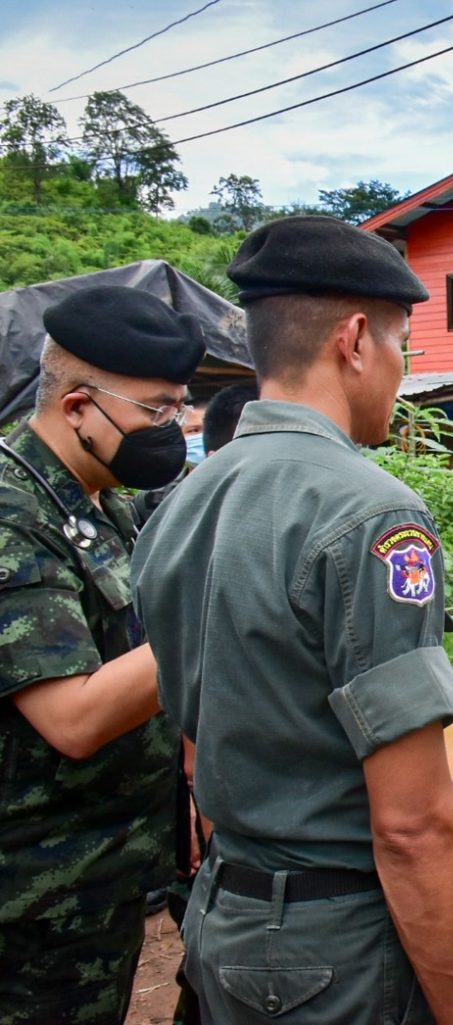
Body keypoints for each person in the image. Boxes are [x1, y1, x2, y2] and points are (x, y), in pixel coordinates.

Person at [132, 216, 453, 1025]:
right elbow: (414, 825)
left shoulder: (180, 505)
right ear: (356, 340)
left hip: (227, 918)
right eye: (404, 345)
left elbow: (198, 733)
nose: (402, 372)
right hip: (335, 948)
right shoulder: (367, 511)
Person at [0, 285, 203, 1025]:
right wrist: (211, 603)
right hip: (33, 899)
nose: (170, 428)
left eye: (178, 408)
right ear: (78, 404)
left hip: (106, 872)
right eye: (155, 409)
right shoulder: (12, 514)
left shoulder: (103, 498)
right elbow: (75, 717)